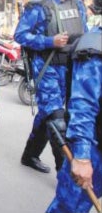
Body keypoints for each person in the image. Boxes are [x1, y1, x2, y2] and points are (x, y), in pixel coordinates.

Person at [15, 0, 88, 174]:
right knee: (57, 120)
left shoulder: (78, 5)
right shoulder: (40, 5)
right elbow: (20, 35)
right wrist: (50, 41)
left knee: (47, 114)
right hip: (47, 71)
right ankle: (65, 173)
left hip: (72, 69)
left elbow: (83, 33)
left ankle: (29, 155)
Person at [46, 22, 102, 213]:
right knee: (69, 208)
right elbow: (83, 105)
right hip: (95, 149)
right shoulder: (95, 47)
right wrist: (82, 157)